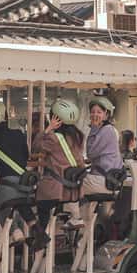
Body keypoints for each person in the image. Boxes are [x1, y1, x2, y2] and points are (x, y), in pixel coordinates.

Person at [33, 99, 86, 246]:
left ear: (55, 118)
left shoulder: (53, 138)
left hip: (56, 191)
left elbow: (35, 147)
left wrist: (48, 129)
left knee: (40, 206)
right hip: (74, 192)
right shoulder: (78, 137)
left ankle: (40, 237)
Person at [0, 99, 31, 244]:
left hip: (3, 185)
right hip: (24, 185)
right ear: (5, 115)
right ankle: (30, 228)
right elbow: (25, 157)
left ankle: (14, 230)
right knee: (11, 201)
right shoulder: (18, 134)